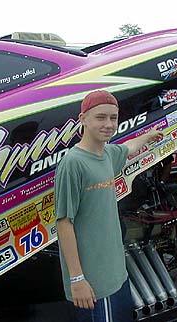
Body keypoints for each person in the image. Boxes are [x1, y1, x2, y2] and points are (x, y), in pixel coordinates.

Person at [54, 90, 163, 322]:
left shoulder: (107, 154)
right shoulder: (72, 163)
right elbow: (64, 223)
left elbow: (129, 147)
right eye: (100, 117)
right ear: (83, 119)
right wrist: (77, 279)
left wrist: (148, 136)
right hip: (93, 283)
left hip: (117, 275)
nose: (108, 124)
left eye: (113, 118)